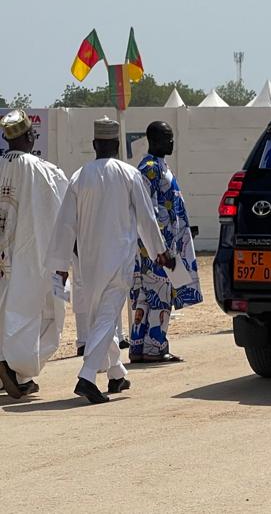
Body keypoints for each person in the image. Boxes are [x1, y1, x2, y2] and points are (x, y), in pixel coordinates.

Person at [46, 117, 169, 404]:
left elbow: (65, 225)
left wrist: (61, 266)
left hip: (88, 263)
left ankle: (116, 373)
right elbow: (146, 218)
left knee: (101, 317)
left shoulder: (79, 176)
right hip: (118, 261)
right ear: (117, 145)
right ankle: (87, 376)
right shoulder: (129, 174)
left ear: (94, 145)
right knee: (106, 318)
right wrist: (159, 251)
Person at [0, 110, 69, 399]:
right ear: (29, 136)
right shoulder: (45, 171)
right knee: (43, 315)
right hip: (33, 257)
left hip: (5, 257)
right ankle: (15, 368)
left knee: (6, 312)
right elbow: (64, 214)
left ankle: (12, 371)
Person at [129, 121, 203, 364]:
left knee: (146, 296)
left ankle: (138, 347)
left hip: (157, 246)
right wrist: (162, 247)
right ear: (154, 140)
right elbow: (149, 211)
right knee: (160, 295)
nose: (172, 142)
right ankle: (155, 348)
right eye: (167, 137)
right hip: (158, 248)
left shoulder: (157, 166)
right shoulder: (150, 169)